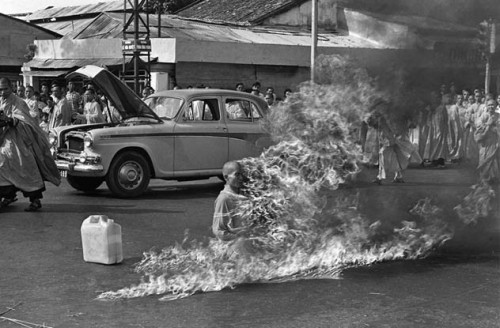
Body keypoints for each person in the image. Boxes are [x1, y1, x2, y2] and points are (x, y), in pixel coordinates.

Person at [0, 77, 61, 211]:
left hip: (18, 139)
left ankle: (35, 199)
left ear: (12, 88)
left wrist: (9, 120)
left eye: (5, 89)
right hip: (4, 139)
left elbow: (25, 121)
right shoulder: (0, 101)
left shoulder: (19, 102)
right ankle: (8, 195)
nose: (3, 92)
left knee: (25, 166)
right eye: (0, 89)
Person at [212, 161, 249, 241]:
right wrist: (240, 239)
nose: (241, 178)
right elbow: (219, 231)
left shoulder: (243, 194)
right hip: (234, 248)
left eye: (242, 174)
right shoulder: (224, 199)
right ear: (226, 177)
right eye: (237, 175)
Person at [474, 98, 500, 183]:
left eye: (493, 105)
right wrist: (488, 125)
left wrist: (492, 127)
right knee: (484, 157)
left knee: (494, 159)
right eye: (489, 105)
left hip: (495, 141)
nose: (491, 107)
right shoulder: (483, 116)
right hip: (485, 142)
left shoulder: (498, 116)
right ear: (486, 106)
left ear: (496, 106)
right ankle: (485, 177)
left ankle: (494, 177)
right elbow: (478, 127)